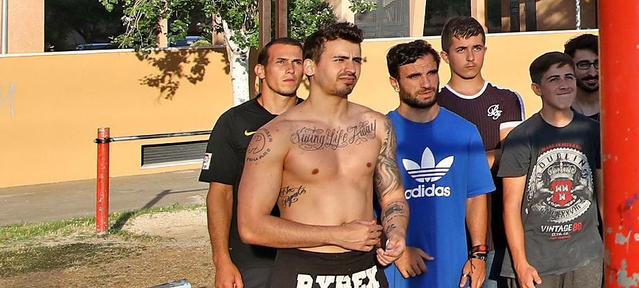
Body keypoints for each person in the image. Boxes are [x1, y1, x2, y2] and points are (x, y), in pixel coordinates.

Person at [238, 22, 408, 288]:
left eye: (356, 60)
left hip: (365, 271)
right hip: (303, 270)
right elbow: (251, 226)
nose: (350, 68)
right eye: (339, 59)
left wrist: (396, 232)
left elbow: (392, 196)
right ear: (309, 67)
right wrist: (337, 235)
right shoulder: (276, 135)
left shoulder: (376, 126)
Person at [385, 39, 493, 288]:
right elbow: (364, 207)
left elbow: (475, 196)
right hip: (398, 270)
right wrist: (396, 249)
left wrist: (478, 255)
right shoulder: (380, 133)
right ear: (395, 82)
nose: (426, 83)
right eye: (414, 76)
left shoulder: (464, 132)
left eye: (431, 73)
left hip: (454, 271)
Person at [203, 37, 305, 288]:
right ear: (260, 70)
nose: (290, 69)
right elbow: (220, 195)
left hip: (309, 254)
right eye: (280, 62)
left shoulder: (318, 120)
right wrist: (222, 260)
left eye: (297, 62)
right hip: (253, 259)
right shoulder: (233, 122)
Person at [497, 52, 604, 288]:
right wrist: (521, 264)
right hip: (537, 262)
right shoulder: (522, 137)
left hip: (586, 259)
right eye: (554, 79)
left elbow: (603, 195)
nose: (564, 85)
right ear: (537, 89)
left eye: (569, 77)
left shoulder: (593, 131)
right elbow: (511, 206)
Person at [438, 16, 527, 287]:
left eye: (477, 48)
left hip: (501, 232)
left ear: (485, 50)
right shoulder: (436, 104)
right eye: (461, 49)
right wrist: (488, 158)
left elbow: (512, 157)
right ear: (445, 55)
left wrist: (466, 162)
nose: (470, 57)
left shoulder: (506, 99)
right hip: (454, 234)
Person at [563, 34, 601, 118]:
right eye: (584, 65)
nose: (592, 73)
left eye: (598, 63)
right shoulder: (560, 114)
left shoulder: (621, 109)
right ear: (569, 67)